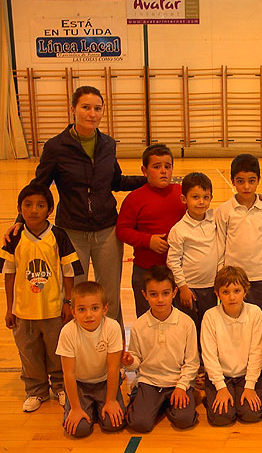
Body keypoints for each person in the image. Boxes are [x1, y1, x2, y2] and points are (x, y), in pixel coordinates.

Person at [3, 86, 145, 326]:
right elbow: (39, 186)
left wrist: (149, 181)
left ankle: (112, 353)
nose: (92, 113)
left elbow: (115, 181)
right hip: (71, 232)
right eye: (86, 107)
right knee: (76, 295)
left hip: (107, 229)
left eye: (97, 108)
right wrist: (20, 220)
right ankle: (77, 353)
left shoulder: (108, 144)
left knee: (110, 295)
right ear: (73, 110)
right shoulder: (56, 147)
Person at [1, 183, 84, 412]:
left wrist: (68, 302)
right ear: (19, 208)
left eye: (40, 205)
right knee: (29, 354)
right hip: (23, 311)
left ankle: (60, 386)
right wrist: (10, 308)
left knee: (56, 351)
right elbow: (9, 274)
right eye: (27, 205)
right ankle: (36, 390)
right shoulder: (14, 237)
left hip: (53, 309)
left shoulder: (58, 235)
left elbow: (68, 272)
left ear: (50, 209)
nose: (33, 210)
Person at [122, 266, 199, 432]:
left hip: (177, 382)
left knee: (184, 420)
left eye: (165, 293)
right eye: (153, 294)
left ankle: (162, 403)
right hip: (150, 381)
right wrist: (129, 361)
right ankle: (149, 401)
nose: (160, 299)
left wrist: (181, 386)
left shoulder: (186, 323)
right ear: (145, 295)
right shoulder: (139, 325)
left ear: (174, 292)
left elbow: (192, 362)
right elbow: (136, 361)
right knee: (139, 424)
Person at [215, 154, 262, 342]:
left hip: (260, 277)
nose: (246, 186)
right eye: (240, 181)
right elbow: (220, 247)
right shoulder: (224, 211)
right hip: (232, 279)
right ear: (233, 181)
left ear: (258, 180)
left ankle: (261, 357)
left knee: (261, 319)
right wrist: (220, 277)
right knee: (232, 319)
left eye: (251, 181)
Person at [116, 144, 186, 318]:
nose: (163, 171)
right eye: (157, 167)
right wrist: (148, 241)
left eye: (167, 167)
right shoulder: (134, 198)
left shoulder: (182, 193)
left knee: (178, 318)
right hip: (145, 270)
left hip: (178, 270)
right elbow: (122, 230)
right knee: (147, 319)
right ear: (144, 170)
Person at [56, 281, 125, 437]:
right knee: (79, 430)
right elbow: (69, 374)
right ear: (73, 312)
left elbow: (114, 368)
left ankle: (98, 406)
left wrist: (111, 401)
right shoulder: (68, 332)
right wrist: (75, 408)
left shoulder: (112, 327)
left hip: (104, 382)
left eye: (95, 308)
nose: (88, 315)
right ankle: (87, 407)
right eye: (82, 309)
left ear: (105, 309)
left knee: (113, 424)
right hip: (80, 384)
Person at [201, 266, 262, 426]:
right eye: (225, 292)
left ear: (245, 291)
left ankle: (247, 391)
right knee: (221, 418)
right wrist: (220, 387)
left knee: (251, 415)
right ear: (217, 293)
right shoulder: (210, 316)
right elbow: (209, 356)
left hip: (245, 375)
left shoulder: (255, 313)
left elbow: (257, 352)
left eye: (237, 291)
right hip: (221, 376)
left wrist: (250, 385)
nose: (232, 297)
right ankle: (212, 394)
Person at [167, 172, 219, 344]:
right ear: (184, 199)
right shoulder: (179, 230)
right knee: (188, 328)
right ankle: (190, 360)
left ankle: (206, 360)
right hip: (189, 289)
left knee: (208, 327)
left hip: (210, 288)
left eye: (206, 197)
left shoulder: (214, 220)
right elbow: (173, 261)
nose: (201, 202)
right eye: (195, 197)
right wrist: (182, 287)